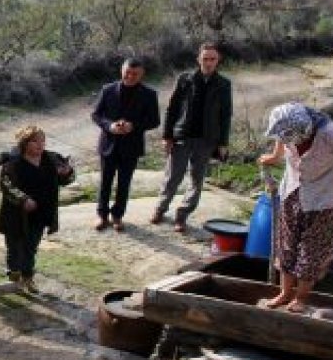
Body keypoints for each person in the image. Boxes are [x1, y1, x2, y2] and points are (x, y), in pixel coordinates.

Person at [257, 102, 333, 314]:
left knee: (312, 251)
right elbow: (281, 139)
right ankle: (285, 294)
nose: (286, 141)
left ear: (305, 130)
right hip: (294, 191)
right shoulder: (286, 126)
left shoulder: (331, 134)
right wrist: (276, 157)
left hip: (327, 198)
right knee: (287, 246)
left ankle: (301, 298)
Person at [153, 43, 232, 232]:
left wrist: (223, 143)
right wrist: (167, 136)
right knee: (173, 177)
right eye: (205, 58)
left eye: (212, 59)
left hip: (207, 140)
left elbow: (225, 115)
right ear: (199, 59)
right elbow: (172, 109)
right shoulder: (185, 79)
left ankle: (182, 216)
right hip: (183, 136)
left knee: (197, 180)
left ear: (218, 60)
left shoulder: (223, 84)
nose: (209, 62)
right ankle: (160, 209)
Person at [0, 125, 75, 293]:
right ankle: (14, 277)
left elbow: (67, 179)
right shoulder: (12, 162)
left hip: (41, 213)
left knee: (31, 248)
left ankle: (28, 277)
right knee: (15, 247)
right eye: (35, 141)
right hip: (17, 214)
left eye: (42, 141)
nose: (40, 145)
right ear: (25, 143)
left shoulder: (51, 159)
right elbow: (6, 185)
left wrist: (67, 173)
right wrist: (23, 199)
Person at [90, 58, 160, 232]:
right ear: (122, 70)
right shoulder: (108, 90)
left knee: (124, 183)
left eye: (135, 74)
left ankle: (117, 216)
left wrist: (133, 126)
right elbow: (96, 115)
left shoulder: (149, 94)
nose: (130, 76)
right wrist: (110, 126)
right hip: (109, 144)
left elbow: (154, 121)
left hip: (132, 146)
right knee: (105, 182)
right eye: (127, 72)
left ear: (142, 74)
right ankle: (102, 215)